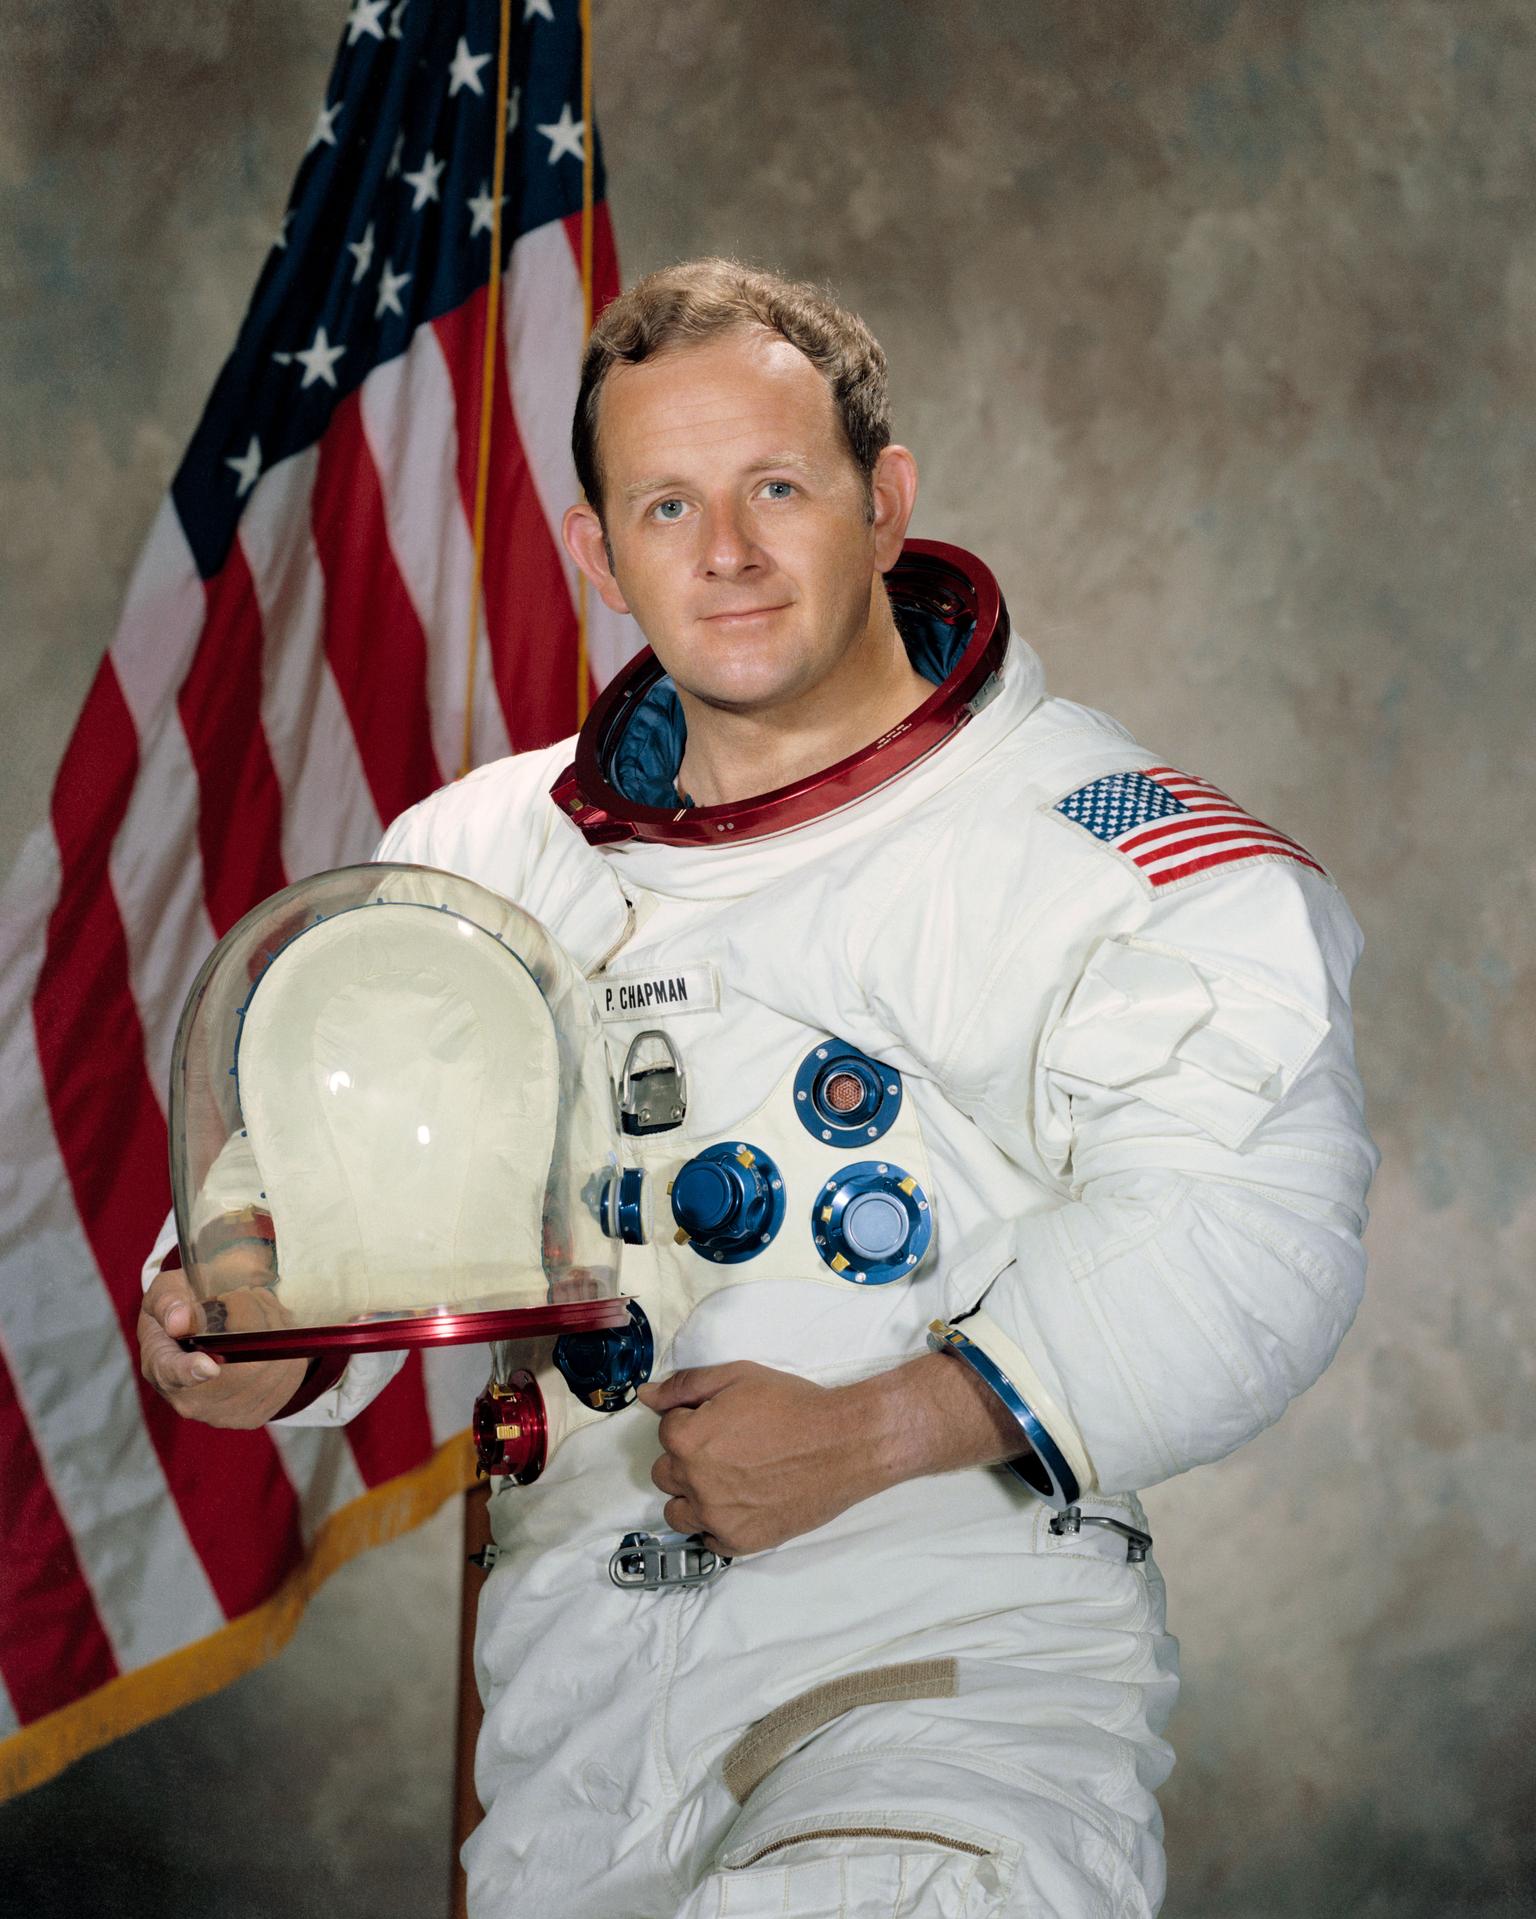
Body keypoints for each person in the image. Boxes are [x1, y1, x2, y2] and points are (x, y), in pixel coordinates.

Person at [140, 258, 1377, 1917]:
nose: (722, 553)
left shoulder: (1104, 847)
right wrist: (240, 1340)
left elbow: (1255, 1229)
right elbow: (331, 1234)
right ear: (597, 551)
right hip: (574, 1731)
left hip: (941, 1693)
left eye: (775, 488)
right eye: (664, 504)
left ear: (886, 501)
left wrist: (886, 1426)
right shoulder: (480, 866)